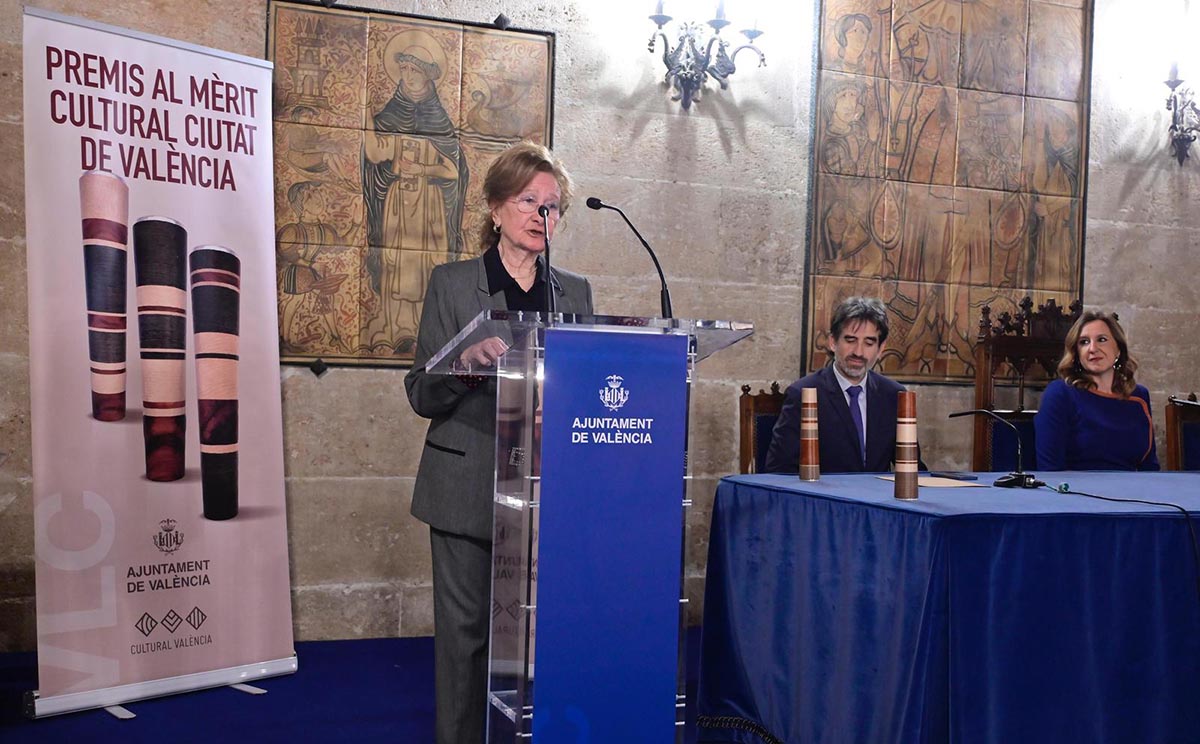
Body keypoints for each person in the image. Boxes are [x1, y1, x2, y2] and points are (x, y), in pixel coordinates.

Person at [404, 142, 593, 744]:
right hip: (466, 486)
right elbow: (420, 393)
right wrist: (463, 364)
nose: (543, 216)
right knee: (466, 639)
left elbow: (586, 387)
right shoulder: (454, 284)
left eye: (553, 206)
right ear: (495, 209)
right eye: (528, 202)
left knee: (540, 638)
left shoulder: (574, 294)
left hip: (548, 490)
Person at [363, 41, 468, 355]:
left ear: (428, 76)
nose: (408, 76)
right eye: (404, 69)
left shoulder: (439, 122)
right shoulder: (392, 116)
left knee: (426, 267)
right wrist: (365, 117)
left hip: (429, 208)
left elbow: (453, 171)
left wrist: (422, 168)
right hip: (398, 204)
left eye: (414, 70)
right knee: (395, 264)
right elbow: (375, 152)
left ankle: (428, 336)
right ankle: (396, 331)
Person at [765, 296, 917, 473]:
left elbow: (912, 469)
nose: (858, 352)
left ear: (881, 348)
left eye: (869, 343)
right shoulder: (803, 393)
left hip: (877, 498)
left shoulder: (894, 395)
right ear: (832, 342)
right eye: (850, 340)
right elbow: (778, 470)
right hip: (823, 498)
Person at [1035, 311, 1158, 471]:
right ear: (1077, 354)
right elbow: (1050, 470)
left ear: (1118, 349)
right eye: (1084, 342)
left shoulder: (1139, 396)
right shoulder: (1060, 394)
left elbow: (1150, 467)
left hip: (1132, 493)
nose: (1093, 348)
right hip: (1077, 492)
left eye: (1102, 340)